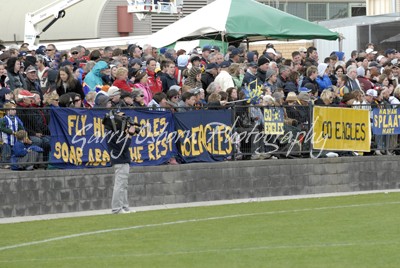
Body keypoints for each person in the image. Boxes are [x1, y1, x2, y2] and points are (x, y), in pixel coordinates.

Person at [104, 112, 138, 214]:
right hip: (120, 160)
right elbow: (123, 146)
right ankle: (117, 208)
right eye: (119, 116)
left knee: (124, 185)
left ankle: (124, 206)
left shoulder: (115, 132)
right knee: (120, 185)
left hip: (122, 160)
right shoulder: (112, 132)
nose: (121, 119)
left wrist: (128, 132)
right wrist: (130, 135)